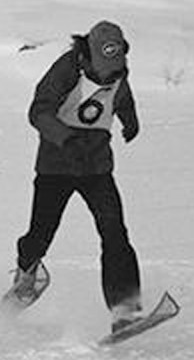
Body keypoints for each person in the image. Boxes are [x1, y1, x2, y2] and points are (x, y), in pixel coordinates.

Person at [8, 20, 143, 334]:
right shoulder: (67, 69)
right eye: (104, 67)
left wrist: (130, 120)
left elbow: (122, 97)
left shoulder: (119, 71)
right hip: (56, 165)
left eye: (115, 66)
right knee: (41, 234)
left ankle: (125, 309)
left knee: (115, 233)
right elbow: (38, 110)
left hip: (97, 167)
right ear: (90, 54)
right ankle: (26, 271)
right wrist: (65, 138)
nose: (109, 73)